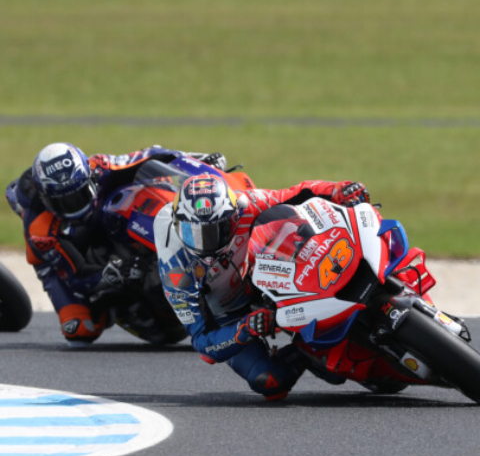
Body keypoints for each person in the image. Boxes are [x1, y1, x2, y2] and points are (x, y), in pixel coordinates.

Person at [153, 171, 370, 400]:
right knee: (268, 381)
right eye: (194, 233)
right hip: (228, 314)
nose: (207, 243)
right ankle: (309, 352)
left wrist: (337, 190)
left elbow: (298, 192)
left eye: (219, 229)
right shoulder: (175, 269)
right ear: (178, 225)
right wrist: (245, 329)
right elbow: (202, 341)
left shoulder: (246, 205)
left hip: (264, 277)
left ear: (233, 216)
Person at [5, 142, 227, 345]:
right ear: (46, 199)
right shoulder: (41, 230)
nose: (74, 206)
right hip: (65, 257)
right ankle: (115, 307)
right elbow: (76, 277)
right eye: (62, 201)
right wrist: (111, 274)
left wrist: (199, 161)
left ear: (89, 179)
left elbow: (150, 155)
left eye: (79, 195)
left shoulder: (99, 166)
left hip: (108, 224)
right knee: (80, 331)